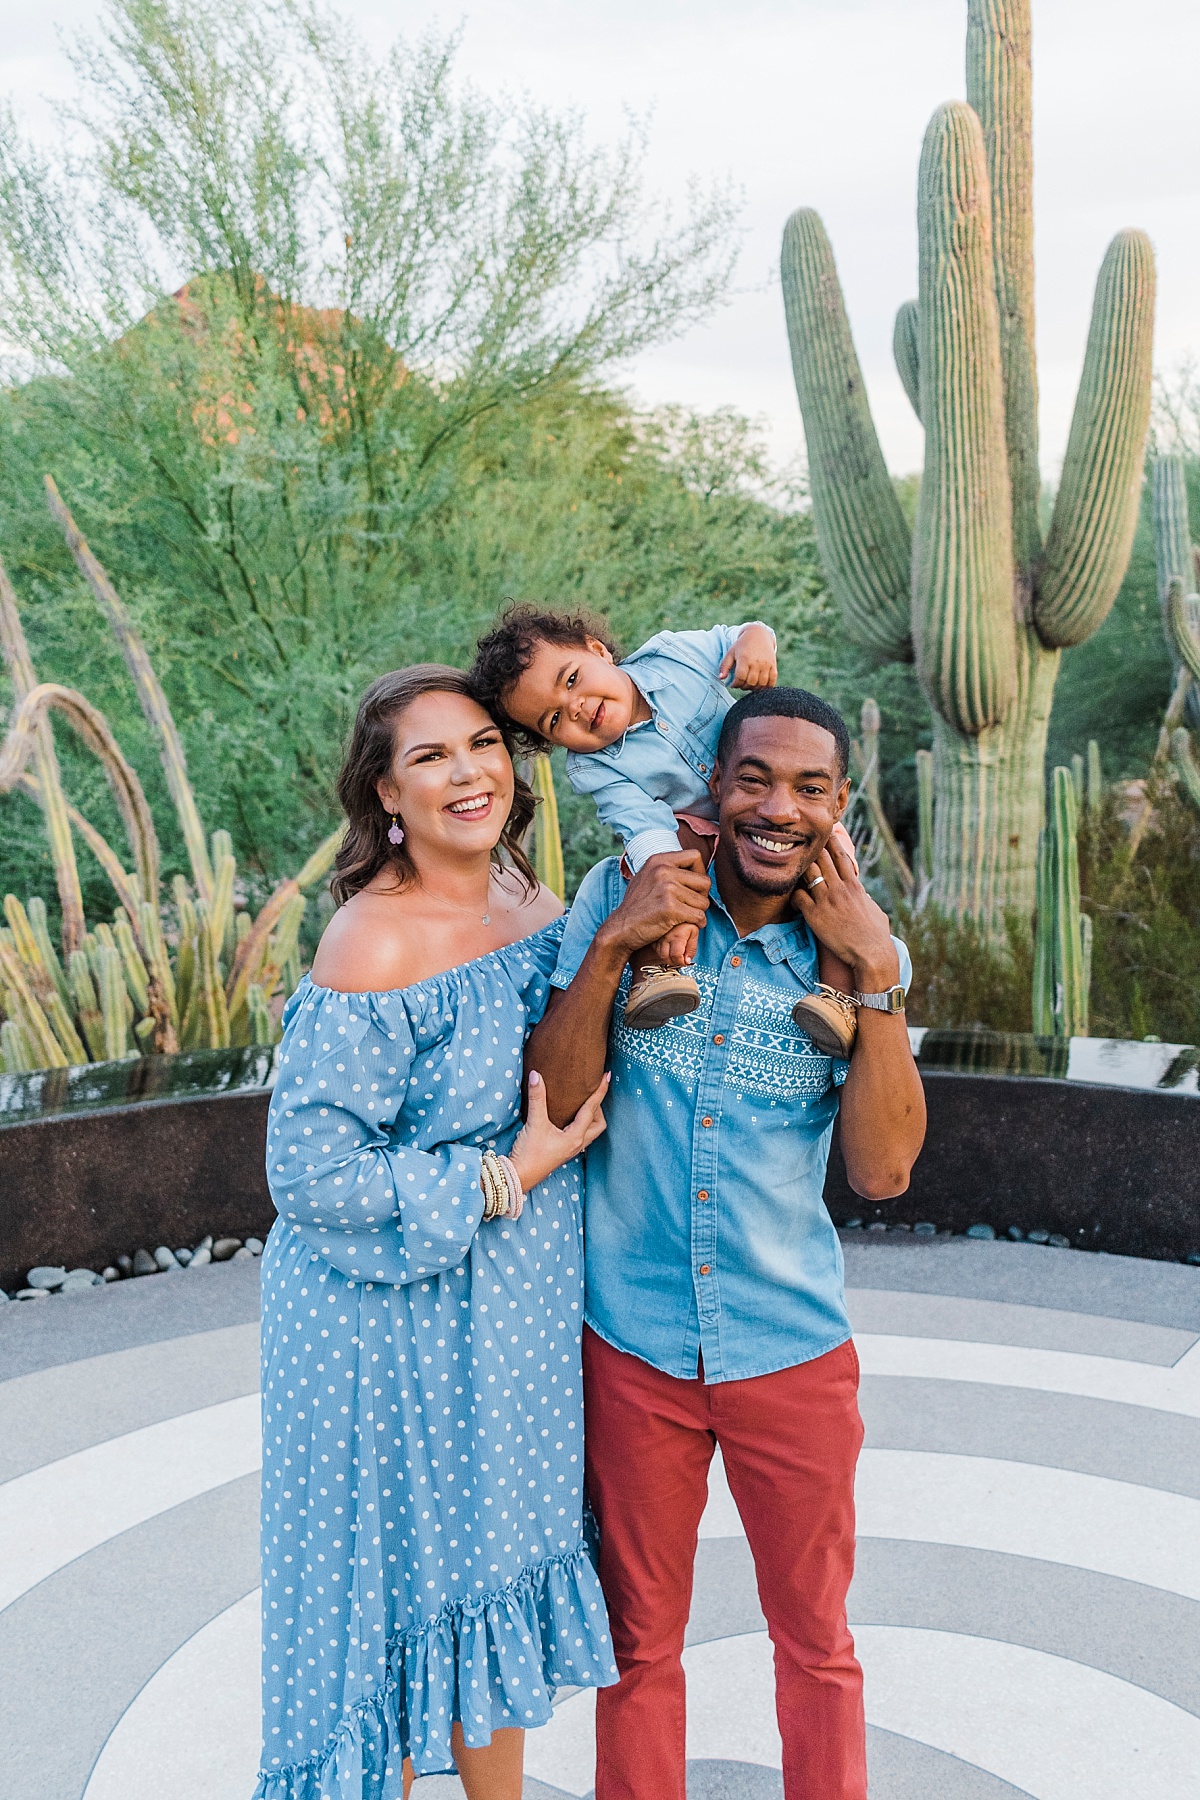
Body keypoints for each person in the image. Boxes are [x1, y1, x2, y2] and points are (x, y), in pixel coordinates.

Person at [525, 686, 926, 1800]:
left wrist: (877, 980)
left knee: (816, 1644)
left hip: (788, 1352)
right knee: (638, 1647)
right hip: (635, 1348)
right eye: (754, 777)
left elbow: (884, 1171)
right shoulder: (627, 890)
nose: (778, 807)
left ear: (840, 805)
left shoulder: (860, 951)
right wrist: (613, 941)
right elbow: (556, 1104)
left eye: (810, 786)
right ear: (714, 783)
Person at [254, 666, 618, 1800]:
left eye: (481, 745)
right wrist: (510, 1172)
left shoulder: (527, 894)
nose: (469, 772)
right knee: (392, 1598)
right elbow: (310, 1174)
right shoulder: (374, 944)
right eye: (430, 757)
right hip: (381, 1329)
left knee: (489, 1579)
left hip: (507, 1316)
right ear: (385, 796)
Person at [470, 606, 860, 1054]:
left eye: (571, 679)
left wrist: (756, 640)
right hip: (693, 826)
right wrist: (670, 892)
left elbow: (735, 637)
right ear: (553, 743)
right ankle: (658, 972)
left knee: (834, 875)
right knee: (659, 873)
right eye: (554, 720)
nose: (575, 708)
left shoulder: (672, 655)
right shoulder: (593, 767)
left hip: (771, 807)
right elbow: (643, 825)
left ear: (598, 650)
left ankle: (837, 999)